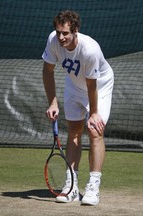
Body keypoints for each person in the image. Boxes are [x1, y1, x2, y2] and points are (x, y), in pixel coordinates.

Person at [42, 10, 114, 206]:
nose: (61, 37)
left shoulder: (89, 50)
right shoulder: (53, 41)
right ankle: (71, 186)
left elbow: (92, 85)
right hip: (74, 86)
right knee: (74, 131)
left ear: (75, 31)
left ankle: (93, 187)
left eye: (65, 33)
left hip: (100, 87)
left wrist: (94, 113)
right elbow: (47, 72)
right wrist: (53, 102)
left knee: (94, 131)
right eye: (58, 32)